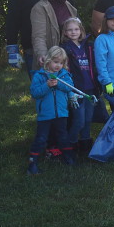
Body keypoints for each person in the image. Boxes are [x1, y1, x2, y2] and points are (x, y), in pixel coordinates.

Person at [27, 46, 76, 174]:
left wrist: (59, 83)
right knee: (41, 138)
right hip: (45, 114)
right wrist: (47, 86)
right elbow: (35, 93)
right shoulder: (40, 75)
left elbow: (69, 87)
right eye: (55, 62)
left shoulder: (64, 75)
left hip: (61, 113)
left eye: (61, 63)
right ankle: (32, 163)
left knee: (63, 136)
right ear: (48, 60)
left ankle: (69, 159)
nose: (58, 65)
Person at [61, 17, 98, 157]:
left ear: (81, 30)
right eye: (70, 30)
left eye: (76, 29)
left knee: (88, 119)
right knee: (79, 120)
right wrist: (70, 89)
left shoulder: (89, 46)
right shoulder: (65, 48)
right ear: (65, 32)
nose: (73, 32)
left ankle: (85, 146)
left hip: (91, 87)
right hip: (76, 90)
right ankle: (69, 146)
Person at [30, 0, 78, 70]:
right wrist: (42, 54)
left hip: (70, 58)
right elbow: (38, 36)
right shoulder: (40, 8)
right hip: (52, 59)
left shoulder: (70, 7)